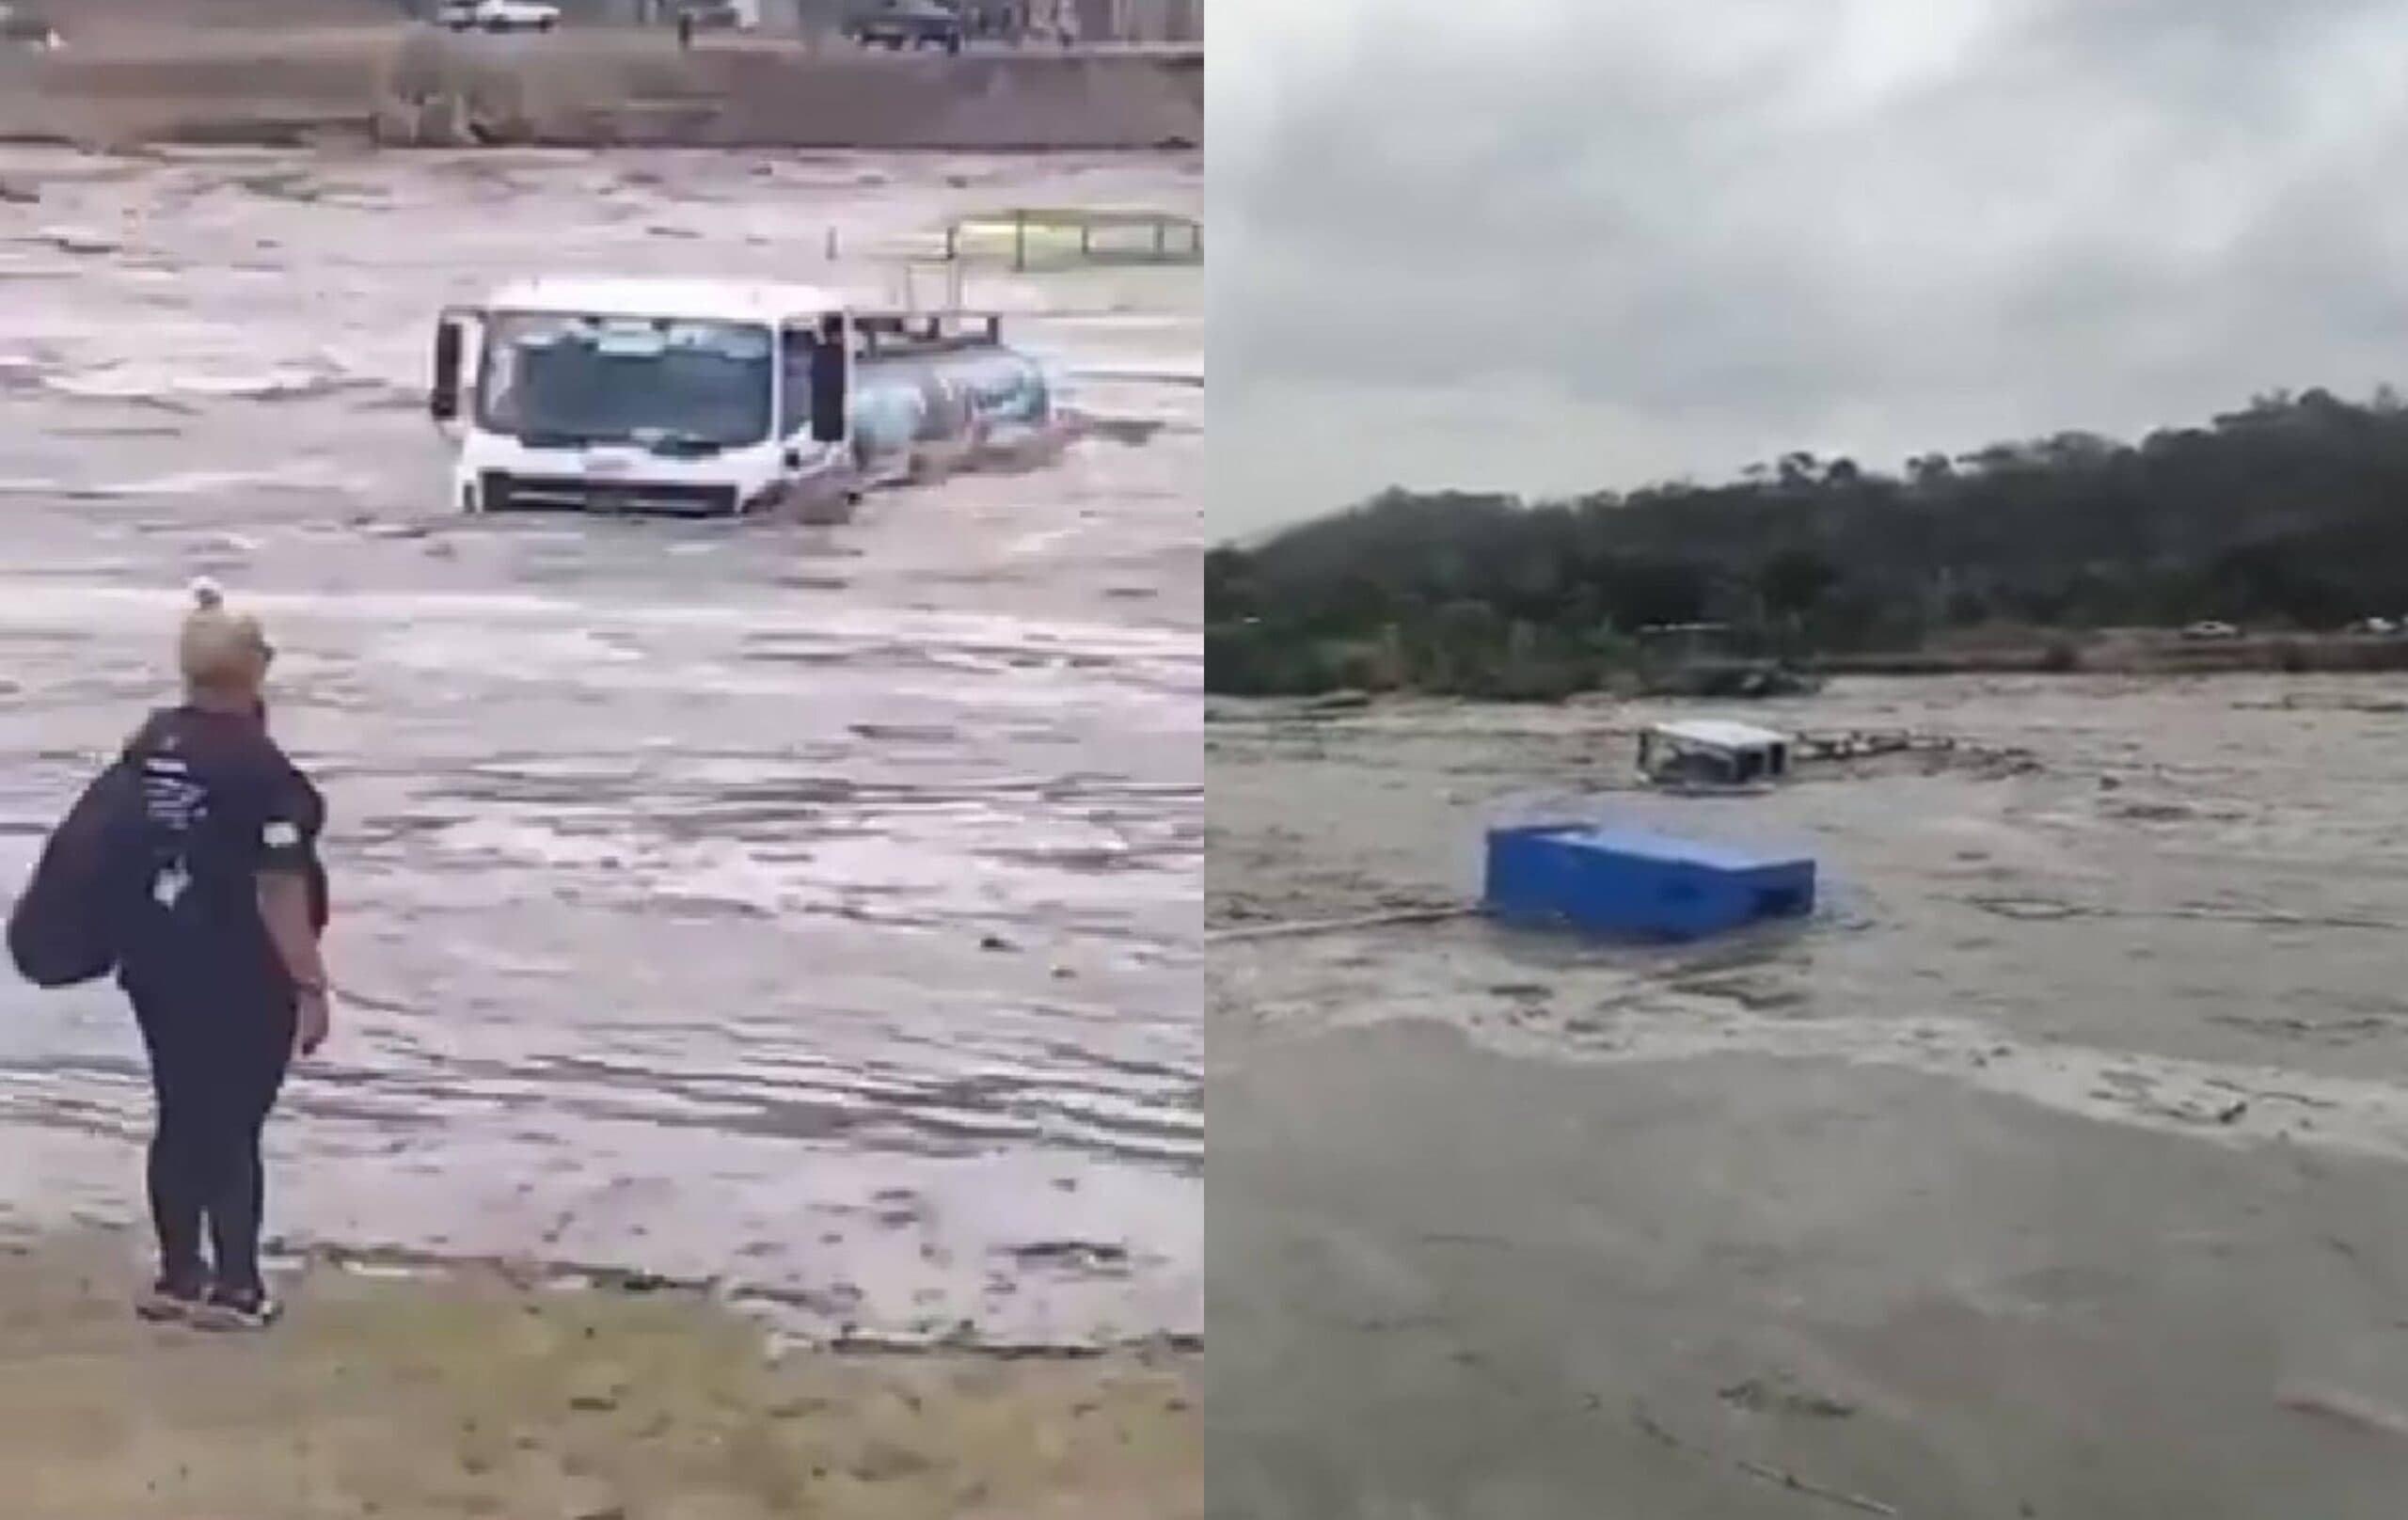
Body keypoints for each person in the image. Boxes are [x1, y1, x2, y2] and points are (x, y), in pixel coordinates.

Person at [119, 580, 332, 1331]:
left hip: (153, 956)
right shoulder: (265, 774)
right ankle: (236, 1287)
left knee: (180, 1114)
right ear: (252, 671)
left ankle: (180, 1275)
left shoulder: (153, 746)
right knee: (234, 1124)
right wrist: (310, 985)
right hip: (239, 969)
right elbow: (279, 889)